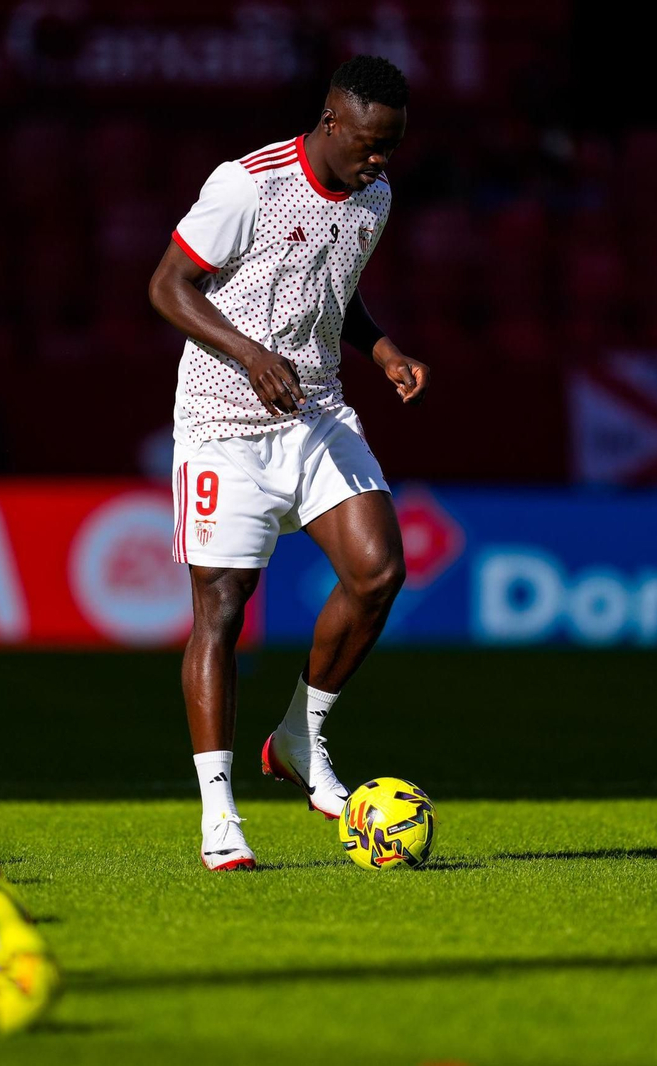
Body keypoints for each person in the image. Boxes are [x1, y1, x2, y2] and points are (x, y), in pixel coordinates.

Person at [147, 55, 430, 871]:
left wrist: (378, 348)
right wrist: (248, 352)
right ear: (333, 124)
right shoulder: (248, 186)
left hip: (313, 413)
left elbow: (331, 290)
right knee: (223, 610)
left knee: (378, 573)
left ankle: (301, 739)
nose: (382, 160)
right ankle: (219, 814)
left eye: (394, 146)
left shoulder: (373, 196)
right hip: (221, 423)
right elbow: (168, 286)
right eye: (373, 143)